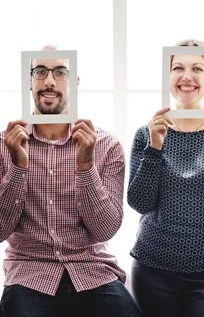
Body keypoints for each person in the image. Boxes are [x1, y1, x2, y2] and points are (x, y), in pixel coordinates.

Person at [0, 46, 140, 317]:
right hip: (29, 273)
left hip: (92, 271)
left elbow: (106, 230)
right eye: (40, 71)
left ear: (74, 82)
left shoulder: (106, 145)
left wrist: (85, 166)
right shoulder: (4, 145)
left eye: (60, 72)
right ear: (29, 81)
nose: (49, 80)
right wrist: (18, 167)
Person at [127, 39, 204, 317]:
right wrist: (155, 147)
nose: (187, 76)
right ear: (168, 77)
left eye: (197, 68)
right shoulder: (146, 133)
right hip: (153, 269)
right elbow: (139, 202)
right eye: (178, 68)